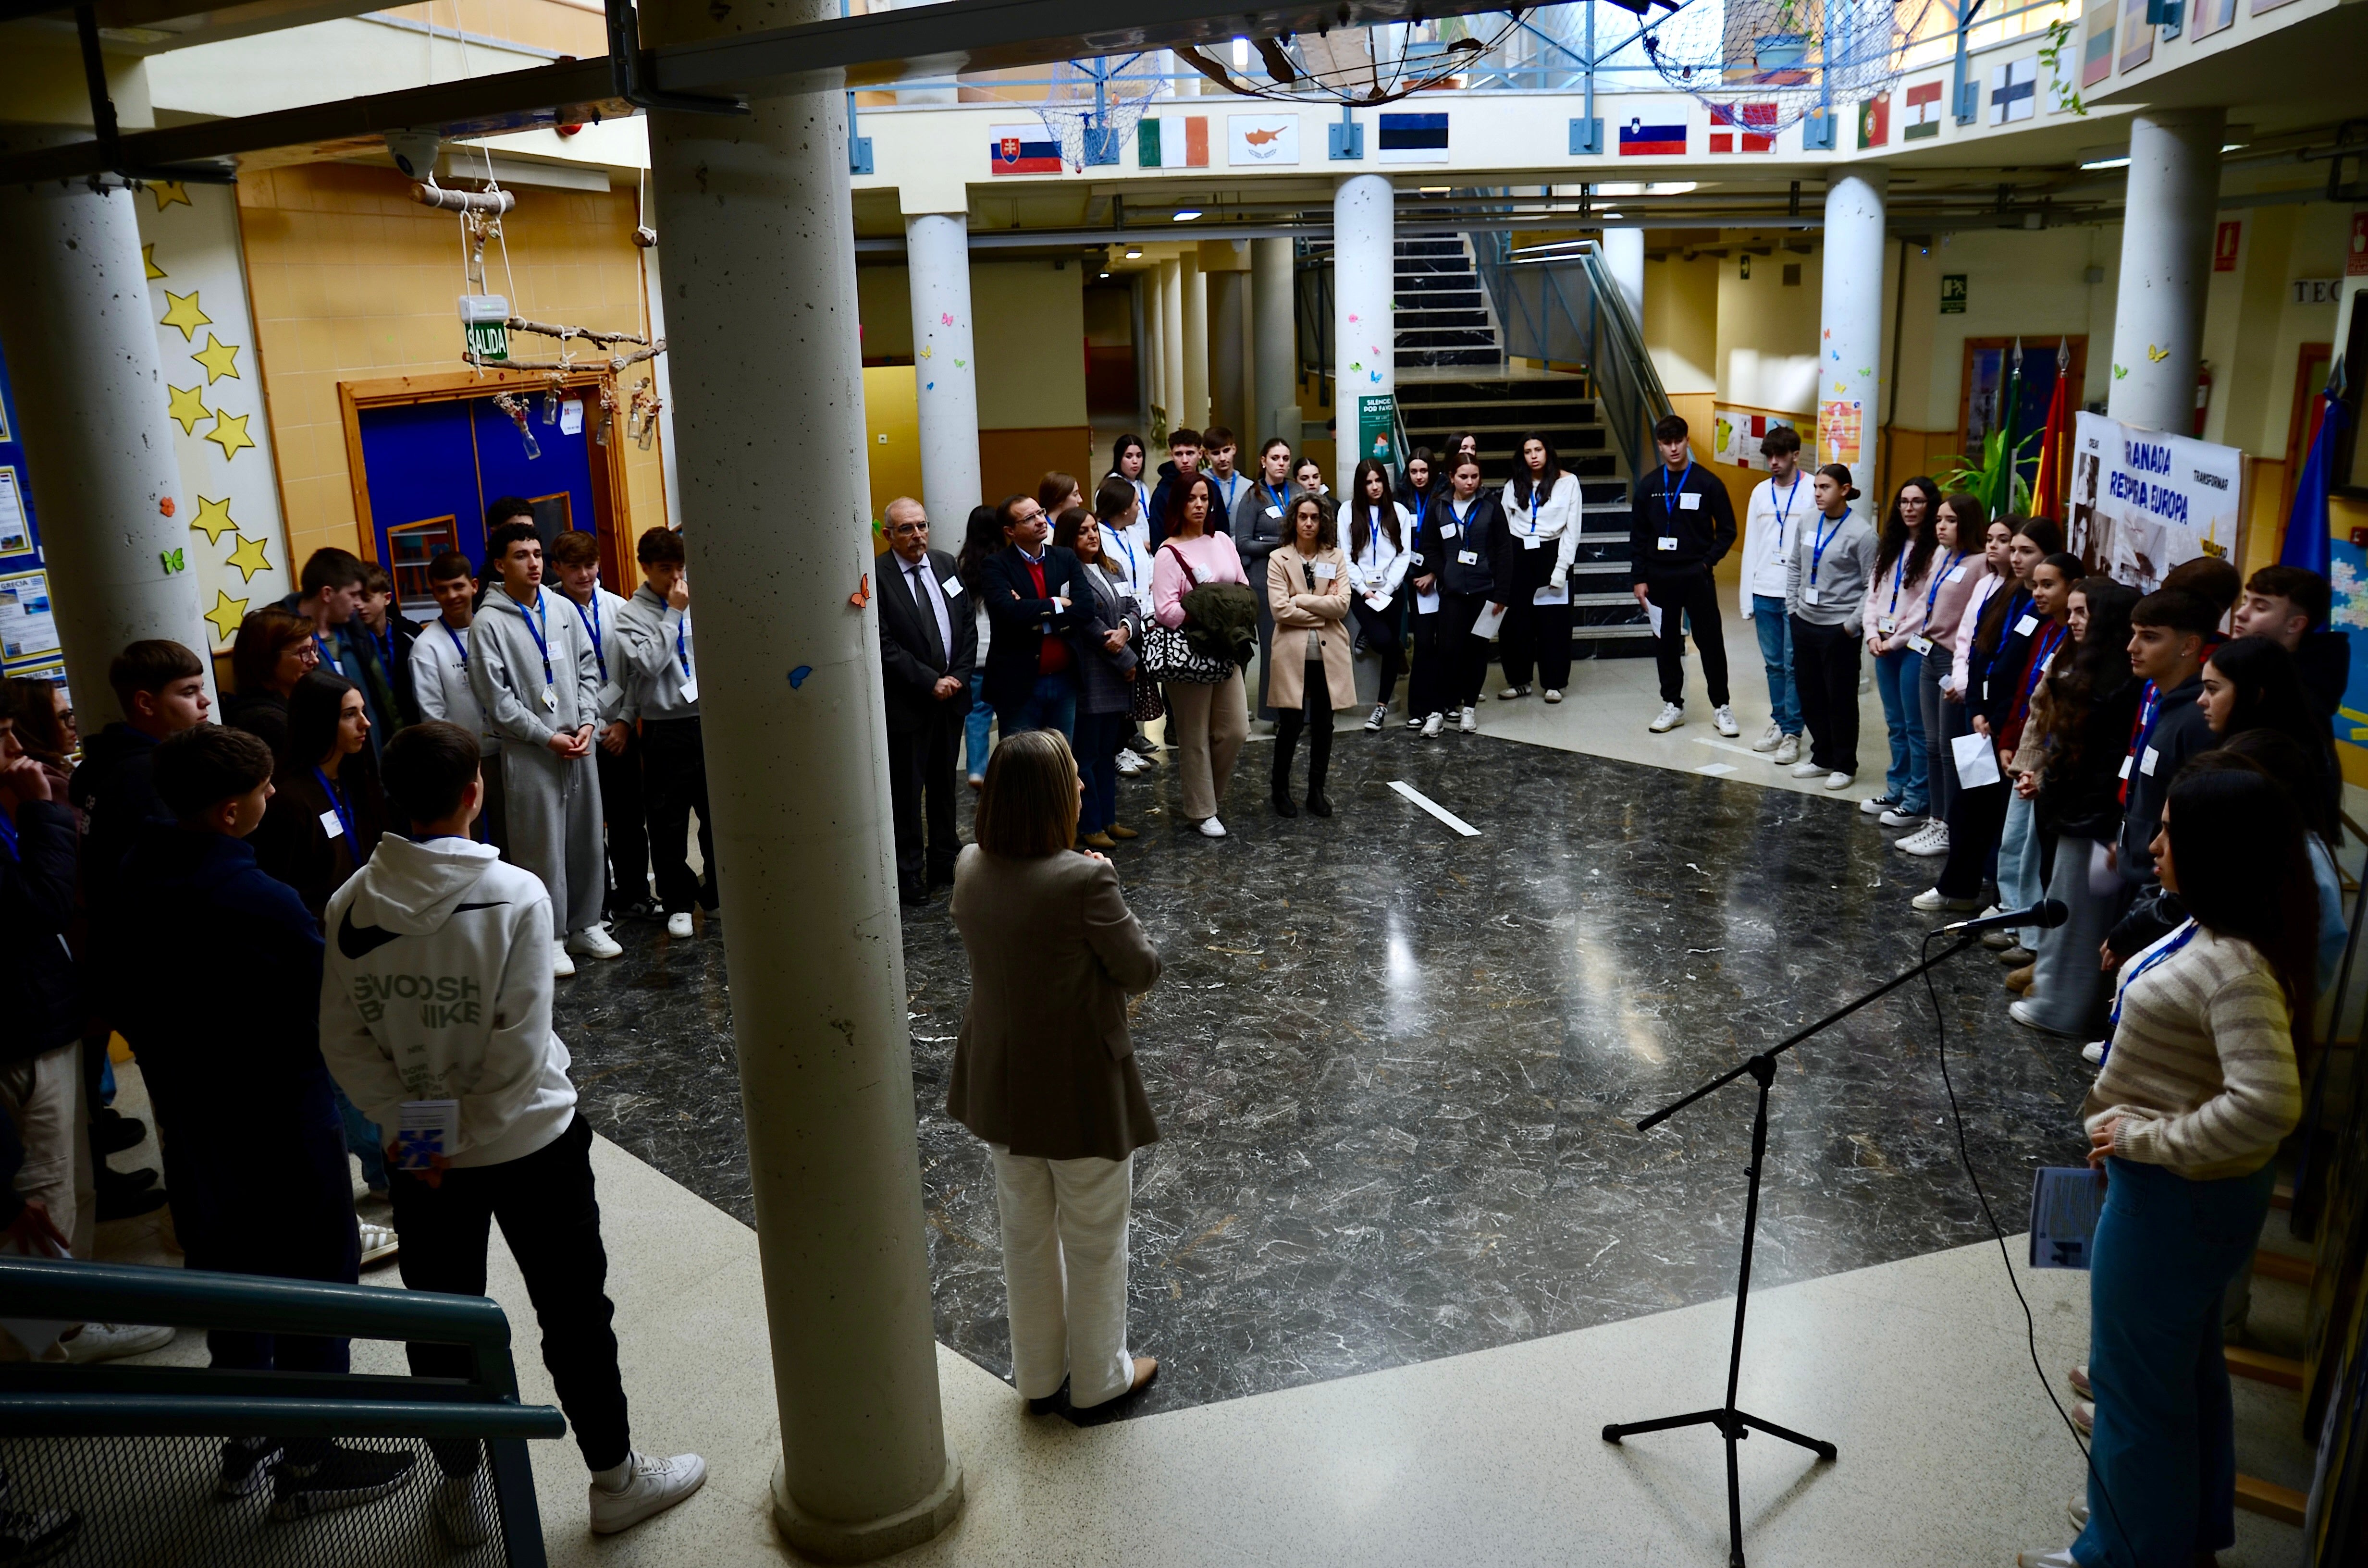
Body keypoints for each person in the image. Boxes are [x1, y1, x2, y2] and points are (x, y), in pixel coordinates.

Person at [321, 722, 707, 1542]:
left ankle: (461, 1491)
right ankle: (614, 1479)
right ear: (474, 792)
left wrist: (423, 1138)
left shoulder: (350, 902)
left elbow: (345, 1041)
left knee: (443, 1321)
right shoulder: (516, 893)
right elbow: (516, 1050)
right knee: (573, 1311)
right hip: (533, 1141)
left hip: (421, 1159)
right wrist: (452, 1133)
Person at [109, 723, 415, 1516]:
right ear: (227, 810)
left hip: (193, 1124)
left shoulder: (132, 875)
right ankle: (311, 1459)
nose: (272, 794)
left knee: (232, 1278)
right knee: (319, 1272)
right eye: (261, 788)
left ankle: (251, 1430)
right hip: (280, 1119)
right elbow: (329, 1000)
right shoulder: (257, 898)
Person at [2023, 760, 2310, 1568]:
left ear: (2214, 847)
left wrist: (2146, 1138)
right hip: (2172, 1191)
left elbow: (2266, 1105)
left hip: (2177, 1200)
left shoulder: (2234, 966)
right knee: (2176, 1376)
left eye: (2168, 831)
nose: (2151, 843)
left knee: (2131, 1389)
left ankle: (2117, 1553)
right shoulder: (2208, 927)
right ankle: (2178, 1537)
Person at [944, 729, 1162, 1417]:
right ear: (1048, 797)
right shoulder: (1085, 878)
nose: (1082, 786)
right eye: (1072, 776)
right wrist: (1104, 882)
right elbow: (1140, 969)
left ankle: (1038, 1376)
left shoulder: (970, 864)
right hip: (1080, 1088)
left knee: (1025, 1236)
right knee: (1096, 1237)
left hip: (1000, 1082)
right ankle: (1100, 1378)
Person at [468, 521, 617, 978]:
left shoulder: (562, 608)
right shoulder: (488, 623)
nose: (533, 563)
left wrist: (590, 721)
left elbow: (588, 668)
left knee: (588, 836)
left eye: (537, 553)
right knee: (540, 846)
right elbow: (497, 701)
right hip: (532, 751)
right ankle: (549, 935)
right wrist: (544, 735)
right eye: (521, 555)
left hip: (579, 743)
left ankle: (586, 924)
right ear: (500, 564)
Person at [2012, 578, 2142, 1037]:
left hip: (2093, 817)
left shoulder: (2117, 681)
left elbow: (2101, 759)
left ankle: (2062, 1009)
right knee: (2064, 904)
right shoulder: (2090, 665)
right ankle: (2058, 997)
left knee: (2080, 920)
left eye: (2083, 612)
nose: (2073, 621)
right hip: (2071, 807)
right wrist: (2039, 774)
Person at [1912, 517, 2061, 914]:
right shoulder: (2008, 592)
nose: (2015, 557)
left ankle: (2000, 896)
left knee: (2001, 817)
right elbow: (1981, 650)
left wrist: (1998, 719)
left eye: (2025, 551)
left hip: (2009, 729)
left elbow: (2025, 678)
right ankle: (1957, 887)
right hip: (1981, 722)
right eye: (2014, 549)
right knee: (1966, 805)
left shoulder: (2050, 610)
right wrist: (1978, 710)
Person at [2104, 588, 2220, 971]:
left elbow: (2189, 821)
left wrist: (2152, 908)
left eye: (2150, 637)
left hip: (2162, 893)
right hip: (2138, 873)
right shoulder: (2162, 699)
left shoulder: (2196, 721)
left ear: (2189, 645)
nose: (2132, 647)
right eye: (2134, 634)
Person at [876, 498, 981, 903]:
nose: (917, 535)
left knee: (944, 785)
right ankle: (909, 873)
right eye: (907, 528)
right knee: (908, 791)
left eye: (922, 525)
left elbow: (966, 625)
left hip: (951, 699)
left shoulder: (944, 564)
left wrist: (958, 676)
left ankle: (944, 859)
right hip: (910, 704)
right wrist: (929, 681)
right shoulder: (879, 575)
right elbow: (882, 643)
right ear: (888, 535)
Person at [615, 527, 715, 937]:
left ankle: (716, 895)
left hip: (706, 724)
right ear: (645, 568)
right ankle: (676, 901)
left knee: (714, 816)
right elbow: (649, 666)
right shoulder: (631, 614)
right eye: (664, 569)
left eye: (679, 568)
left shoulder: (695, 597)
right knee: (668, 821)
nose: (675, 578)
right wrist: (673, 613)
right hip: (663, 729)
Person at [548, 529, 650, 923]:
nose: (584, 575)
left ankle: (635, 894)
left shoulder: (619, 607)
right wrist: (589, 725)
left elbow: (636, 675)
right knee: (589, 826)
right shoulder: (551, 611)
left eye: (590, 565)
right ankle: (598, 903)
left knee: (629, 819)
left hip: (622, 730)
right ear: (558, 568)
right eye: (574, 567)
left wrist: (625, 722)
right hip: (581, 735)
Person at [1991, 550, 2082, 980]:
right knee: (2015, 841)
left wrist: (2038, 768)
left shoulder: (2076, 645)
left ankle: (2031, 935)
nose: (2039, 593)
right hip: (2029, 752)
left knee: (2036, 853)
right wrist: (2013, 742)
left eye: (2049, 585)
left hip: (2050, 763)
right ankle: (2011, 916)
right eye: (2036, 585)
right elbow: (2027, 697)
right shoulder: (2045, 630)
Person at [1150, 472, 1251, 837]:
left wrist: (1225, 612)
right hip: (1190, 651)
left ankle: (1210, 798)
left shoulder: (1222, 540)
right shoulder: (1168, 552)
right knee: (1193, 736)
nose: (1199, 504)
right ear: (1179, 503)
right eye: (1192, 498)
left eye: (1204, 497)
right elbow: (1165, 610)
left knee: (1235, 729)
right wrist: (1208, 615)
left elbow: (1241, 585)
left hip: (1224, 649)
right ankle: (1202, 809)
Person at [249, 670, 389, 926]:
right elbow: (281, 887)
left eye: (362, 711)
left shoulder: (355, 778)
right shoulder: (288, 799)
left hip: (366, 918)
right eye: (350, 714)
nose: (365, 723)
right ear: (319, 721)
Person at [1631, 414, 1739, 736]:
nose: (1674, 448)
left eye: (1679, 441)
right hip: (1659, 576)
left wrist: (1707, 562)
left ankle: (1721, 706)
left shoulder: (1708, 483)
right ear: (1660, 446)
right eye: (1667, 443)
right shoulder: (1649, 486)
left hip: (1697, 575)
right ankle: (1673, 705)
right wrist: (1639, 577)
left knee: (1710, 641)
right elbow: (1637, 536)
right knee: (1665, 643)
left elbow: (1729, 531)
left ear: (1687, 441)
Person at [1896, 495, 1989, 858]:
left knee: (1953, 749)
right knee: (1932, 744)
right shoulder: (1940, 555)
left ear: (1966, 523)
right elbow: (1928, 603)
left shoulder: (1980, 564)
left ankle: (1954, 824)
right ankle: (1937, 819)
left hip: (1955, 659)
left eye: (1950, 520)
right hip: (1929, 653)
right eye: (1939, 520)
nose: (1941, 526)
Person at [1784, 465, 1878, 789]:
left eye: (1825, 487)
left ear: (1845, 490)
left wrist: (1851, 627)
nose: (1818, 493)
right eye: (1817, 487)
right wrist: (1792, 609)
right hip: (1804, 621)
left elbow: (1872, 586)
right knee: (1810, 694)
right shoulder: (1808, 520)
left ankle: (1844, 764)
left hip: (1839, 629)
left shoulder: (1863, 533)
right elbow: (1796, 564)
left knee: (1840, 699)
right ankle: (1821, 757)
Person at [1051, 509, 1140, 851]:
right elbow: (1085, 624)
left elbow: (1132, 606)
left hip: (1117, 673)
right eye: (1083, 532)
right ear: (1069, 538)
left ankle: (1109, 819)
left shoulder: (1111, 568)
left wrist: (1127, 630)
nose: (1093, 536)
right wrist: (1126, 658)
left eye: (1094, 529)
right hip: (1093, 674)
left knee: (1108, 751)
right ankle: (1089, 825)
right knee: (1086, 755)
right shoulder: (1068, 575)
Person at [407, 550, 506, 848]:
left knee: (514, 835)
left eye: (458, 586)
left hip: (508, 750)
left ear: (474, 586)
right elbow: (433, 716)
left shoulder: (494, 629)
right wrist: (461, 760)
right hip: (466, 761)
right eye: (442, 589)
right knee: (468, 840)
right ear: (433, 593)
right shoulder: (427, 647)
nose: (452, 595)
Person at [1267, 494, 1356, 817]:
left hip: (1327, 653)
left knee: (1324, 724)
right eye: (1303, 517)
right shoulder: (1279, 558)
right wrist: (1321, 608)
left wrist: (1300, 601)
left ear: (1323, 522)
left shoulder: (1336, 557)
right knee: (1290, 725)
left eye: (1315, 518)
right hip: (1292, 651)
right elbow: (1279, 610)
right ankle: (1279, 790)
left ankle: (1316, 791)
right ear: (1294, 520)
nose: (1308, 523)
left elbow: (1342, 605)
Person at [1861, 478, 1941, 828]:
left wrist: (1892, 642)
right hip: (1882, 643)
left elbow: (1925, 607)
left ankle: (1917, 798)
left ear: (1931, 506)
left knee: (1915, 726)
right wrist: (1871, 635)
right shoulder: (1890, 545)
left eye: (1918, 501)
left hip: (1911, 647)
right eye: (1904, 501)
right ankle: (1897, 789)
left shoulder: (1937, 551)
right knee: (1894, 724)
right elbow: (1873, 595)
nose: (1909, 508)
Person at [1407, 453, 1506, 737]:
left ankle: (1469, 709)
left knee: (1476, 652)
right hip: (1452, 593)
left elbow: (1503, 549)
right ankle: (1438, 712)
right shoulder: (1440, 506)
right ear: (1452, 477)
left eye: (1475, 476)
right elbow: (1430, 547)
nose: (1470, 482)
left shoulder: (1490, 505)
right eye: (1464, 477)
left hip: (1484, 591)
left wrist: (1502, 592)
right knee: (1446, 652)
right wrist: (1445, 571)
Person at [980, 493, 1090, 743]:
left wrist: (1034, 615)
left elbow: (1085, 610)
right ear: (1011, 531)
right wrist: (1057, 603)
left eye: (1040, 513)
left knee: (1062, 763)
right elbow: (1009, 613)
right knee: (1023, 766)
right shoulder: (996, 566)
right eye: (1030, 518)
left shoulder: (1064, 558)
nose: (1041, 520)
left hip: (1064, 680)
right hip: (1019, 684)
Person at [1738, 425, 1808, 763]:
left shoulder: (1812, 491)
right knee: (1774, 665)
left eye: (1781, 455)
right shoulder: (1760, 493)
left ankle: (1794, 732)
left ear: (1796, 455)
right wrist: (1746, 596)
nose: (1774, 462)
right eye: (1769, 456)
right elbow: (1751, 543)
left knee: (1795, 664)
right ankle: (1780, 722)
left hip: (1796, 595)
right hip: (1764, 589)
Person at [281, 548, 395, 754]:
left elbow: (382, 697)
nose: (357, 603)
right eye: (353, 595)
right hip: (323, 758)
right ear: (327, 593)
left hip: (371, 755)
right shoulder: (283, 635)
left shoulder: (357, 631)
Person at [1496, 433, 1583, 704]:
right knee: (1515, 622)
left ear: (1548, 452)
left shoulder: (1568, 483)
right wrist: (1508, 561)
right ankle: (1519, 680)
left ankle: (1554, 682)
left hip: (1552, 552)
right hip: (1519, 553)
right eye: (1527, 451)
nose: (1533, 455)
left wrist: (1561, 568)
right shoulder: (1514, 484)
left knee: (1554, 622)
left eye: (1538, 449)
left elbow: (1573, 529)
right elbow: (1504, 522)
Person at [1089, 478, 1158, 779]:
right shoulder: (1099, 537)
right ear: (1121, 508)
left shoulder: (1133, 534)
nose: (1138, 508)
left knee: (1133, 686)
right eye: (1134, 504)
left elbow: (1146, 567)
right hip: (1114, 621)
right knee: (1118, 686)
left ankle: (1126, 743)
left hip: (1139, 618)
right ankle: (1116, 749)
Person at [1343, 458, 1415, 731]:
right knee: (1385, 641)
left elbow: (1403, 554)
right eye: (1368, 482)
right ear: (1361, 486)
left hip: (1392, 592)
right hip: (1362, 593)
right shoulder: (1348, 513)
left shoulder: (1399, 512)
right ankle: (1384, 642)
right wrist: (1363, 590)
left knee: (1386, 649)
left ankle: (1381, 708)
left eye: (1378, 481)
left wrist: (1387, 589)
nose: (1374, 487)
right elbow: (1346, 555)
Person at [2234, 563, 2348, 723]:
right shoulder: (2240, 660)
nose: (2240, 614)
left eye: (2260, 608)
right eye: (2244, 603)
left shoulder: (2297, 707)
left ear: (2295, 625)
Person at [1234, 439, 1295, 723]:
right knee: (1275, 646)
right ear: (1263, 461)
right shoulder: (1252, 497)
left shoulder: (1297, 491)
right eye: (1275, 458)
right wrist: (1278, 544)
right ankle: (1274, 714)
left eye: (1285, 458)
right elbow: (1244, 543)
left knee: (1296, 646)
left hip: (1295, 577)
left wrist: (1268, 539)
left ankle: (1298, 711)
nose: (1281, 463)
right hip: (1263, 579)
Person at [225, 607, 320, 767]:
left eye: (313, 649)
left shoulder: (296, 701)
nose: (315, 660)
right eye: (302, 652)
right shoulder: (267, 722)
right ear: (267, 659)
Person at [956, 505, 1005, 788]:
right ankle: (1009, 772)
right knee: (1012, 715)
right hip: (1002, 650)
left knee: (976, 715)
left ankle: (977, 770)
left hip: (975, 653)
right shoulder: (1005, 564)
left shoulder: (960, 566)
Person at [357, 564, 420, 728]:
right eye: (355, 599)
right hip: (376, 727)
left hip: (414, 722)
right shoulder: (353, 642)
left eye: (367, 599)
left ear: (387, 598)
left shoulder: (410, 633)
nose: (360, 606)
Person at [1147, 427, 1204, 542]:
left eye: (1190, 453)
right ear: (1171, 456)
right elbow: (1158, 540)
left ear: (1200, 454)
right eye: (1179, 454)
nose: (1185, 460)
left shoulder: (1210, 488)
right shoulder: (1161, 495)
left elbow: (1221, 529)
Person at [1107, 433, 1152, 530]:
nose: (1135, 461)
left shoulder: (1141, 485)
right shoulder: (1112, 486)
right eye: (1129, 456)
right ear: (1119, 459)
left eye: (1139, 456)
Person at [1203, 427, 1246, 522]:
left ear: (1234, 449)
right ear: (1207, 455)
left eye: (1226, 451)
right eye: (1216, 453)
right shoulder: (1200, 484)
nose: (1222, 458)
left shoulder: (1248, 487)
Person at [1394, 449, 1435, 516]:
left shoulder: (1443, 495)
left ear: (1432, 471)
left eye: (1424, 471)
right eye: (1414, 472)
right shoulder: (1400, 497)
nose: (1419, 477)